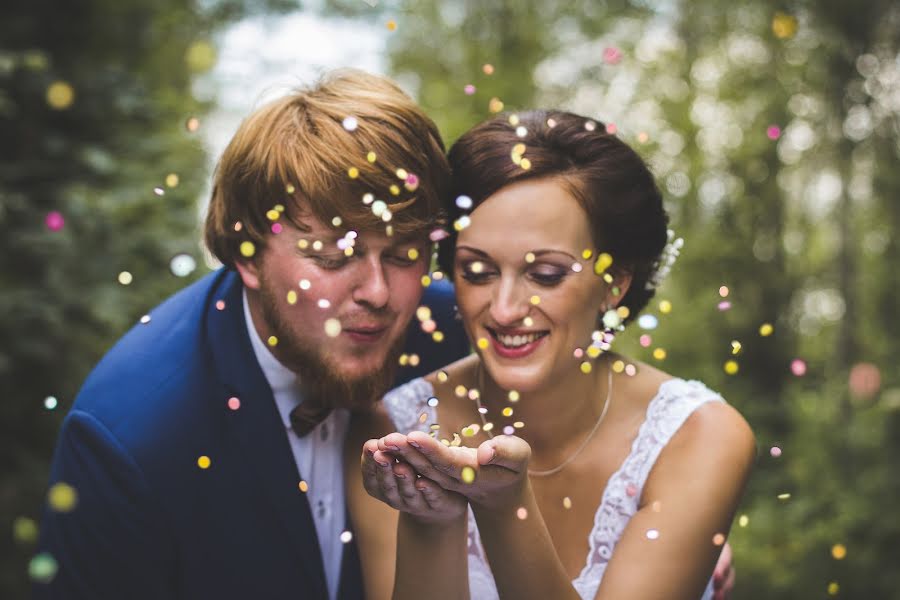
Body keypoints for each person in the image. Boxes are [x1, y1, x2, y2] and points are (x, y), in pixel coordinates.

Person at [34, 69, 471, 599]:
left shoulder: (456, 336)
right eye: (334, 257)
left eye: (405, 254)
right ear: (248, 253)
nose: (379, 293)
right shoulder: (129, 438)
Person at [354, 110, 756, 599]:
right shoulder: (390, 430)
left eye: (546, 275)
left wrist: (505, 506)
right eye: (477, 271)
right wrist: (432, 522)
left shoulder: (702, 438)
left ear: (616, 283)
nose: (503, 310)